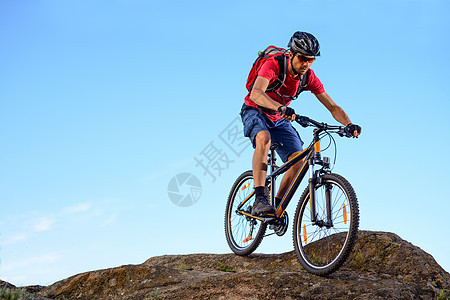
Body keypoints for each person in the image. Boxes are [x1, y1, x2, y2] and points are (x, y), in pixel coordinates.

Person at [240, 31, 361, 216]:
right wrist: (280, 107)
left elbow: (332, 106)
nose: (306, 64)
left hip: (279, 118)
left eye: (310, 60)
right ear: (291, 54)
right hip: (255, 110)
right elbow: (256, 93)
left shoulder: (308, 77)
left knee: (298, 160)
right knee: (263, 138)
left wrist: (349, 124)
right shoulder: (273, 65)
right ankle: (260, 199)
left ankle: (276, 208)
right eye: (303, 58)